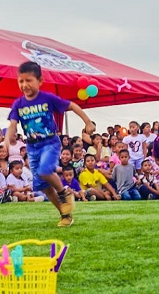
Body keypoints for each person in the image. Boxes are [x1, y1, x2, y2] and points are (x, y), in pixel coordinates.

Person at [6, 61, 96, 227]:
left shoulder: (47, 98)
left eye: (28, 80)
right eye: (21, 81)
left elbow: (72, 105)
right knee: (43, 185)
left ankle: (64, 193)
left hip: (50, 142)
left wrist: (88, 122)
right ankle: (65, 214)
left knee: (45, 170)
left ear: (40, 81)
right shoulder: (18, 104)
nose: (24, 85)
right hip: (32, 147)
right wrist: (7, 139)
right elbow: (12, 123)